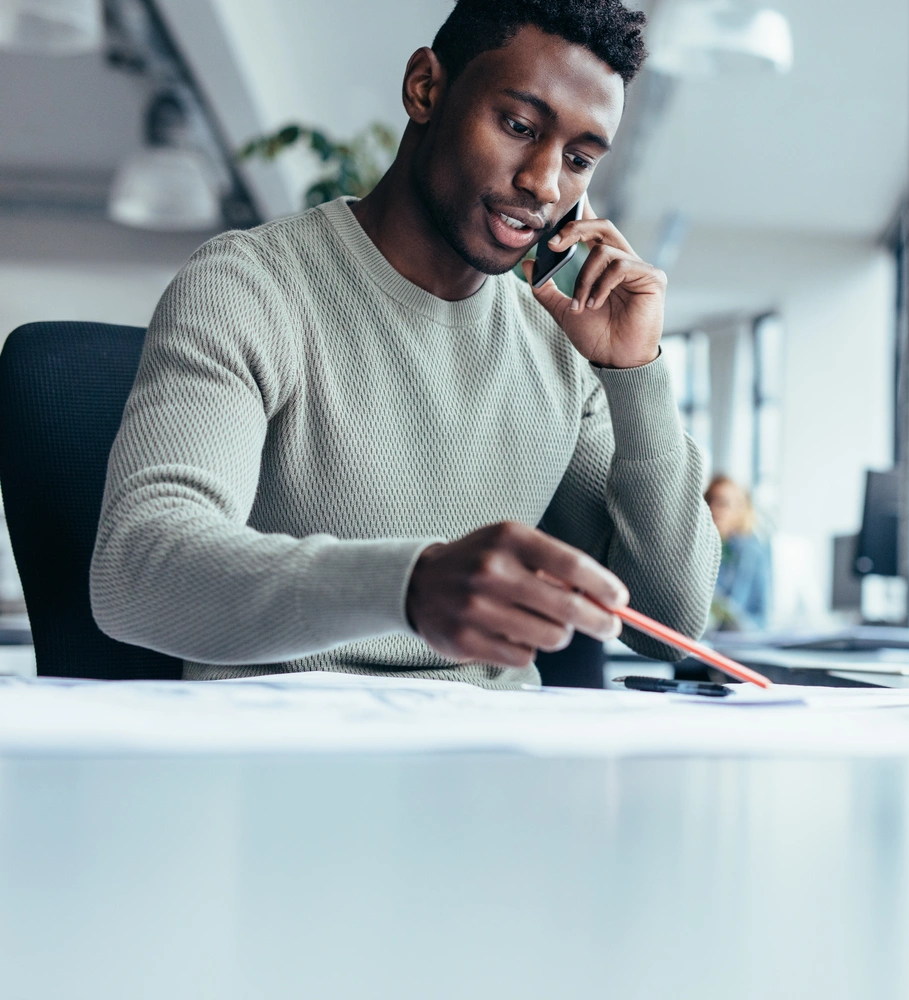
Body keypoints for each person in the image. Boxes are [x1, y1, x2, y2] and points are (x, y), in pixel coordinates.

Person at [89, 0, 719, 688]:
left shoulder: (556, 333)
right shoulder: (252, 286)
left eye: (577, 158)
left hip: (498, 765)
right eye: (517, 125)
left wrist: (633, 375)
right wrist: (406, 586)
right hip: (288, 760)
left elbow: (670, 624)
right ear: (426, 87)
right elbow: (137, 572)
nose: (543, 182)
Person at [703, 475, 769, 631]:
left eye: (723, 504)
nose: (715, 509)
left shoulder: (754, 553)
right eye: (710, 501)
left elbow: (762, 616)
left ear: (740, 510)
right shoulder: (697, 548)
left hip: (740, 637)